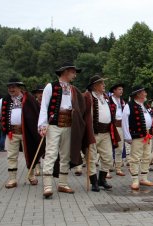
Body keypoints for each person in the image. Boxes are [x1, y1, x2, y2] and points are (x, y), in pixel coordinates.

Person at [38, 62, 93, 198]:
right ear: (65, 72)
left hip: (68, 125)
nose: (75, 75)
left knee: (65, 155)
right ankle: (47, 186)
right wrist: (43, 125)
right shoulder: (51, 87)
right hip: (54, 125)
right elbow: (44, 107)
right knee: (51, 153)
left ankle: (63, 183)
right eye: (73, 72)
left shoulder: (73, 89)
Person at [0, 78, 43, 189]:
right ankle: (12, 179)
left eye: (13, 87)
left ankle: (31, 176)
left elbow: (38, 112)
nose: (11, 89)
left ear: (19, 87)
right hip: (11, 132)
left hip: (26, 133)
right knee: (11, 156)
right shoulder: (4, 100)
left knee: (30, 153)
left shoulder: (28, 99)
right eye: (9, 87)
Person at [83, 75, 120, 192]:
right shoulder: (87, 96)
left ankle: (102, 180)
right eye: (101, 83)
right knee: (91, 158)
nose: (104, 85)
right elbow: (82, 114)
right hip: (93, 132)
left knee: (108, 157)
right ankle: (94, 182)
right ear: (94, 86)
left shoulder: (105, 97)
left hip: (106, 132)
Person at [122, 85, 153, 190]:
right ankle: (135, 180)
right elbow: (125, 122)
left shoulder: (143, 105)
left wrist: (151, 130)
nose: (145, 94)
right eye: (144, 92)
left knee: (146, 156)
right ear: (138, 94)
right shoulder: (129, 105)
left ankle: (144, 178)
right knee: (135, 157)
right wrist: (128, 136)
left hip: (147, 134)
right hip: (137, 135)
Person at [108, 82, 127, 177]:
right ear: (114, 90)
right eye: (119, 89)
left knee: (119, 148)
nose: (121, 91)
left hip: (121, 126)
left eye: (122, 89)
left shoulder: (123, 101)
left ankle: (118, 168)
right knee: (108, 148)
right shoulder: (109, 100)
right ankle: (107, 169)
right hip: (112, 126)